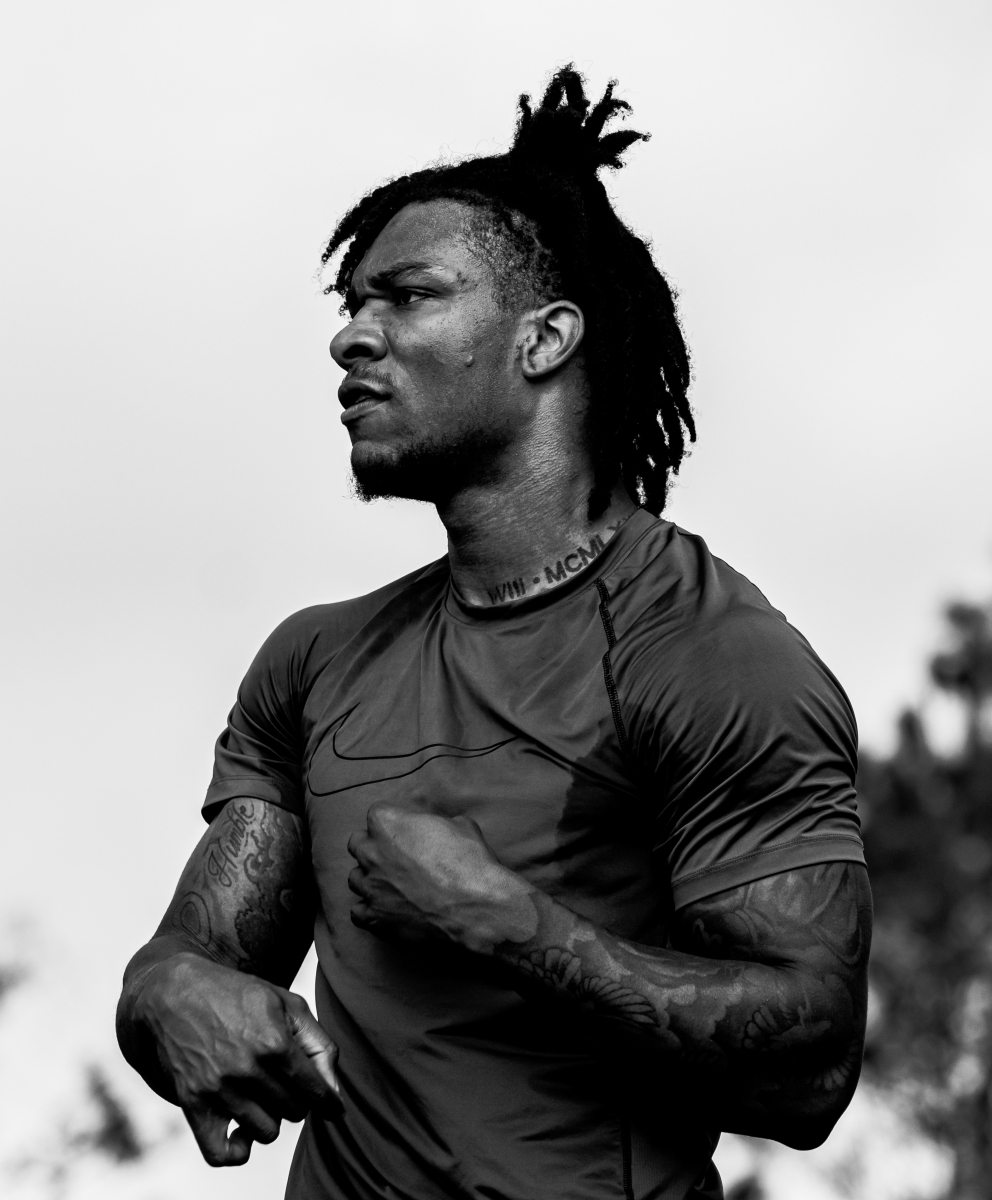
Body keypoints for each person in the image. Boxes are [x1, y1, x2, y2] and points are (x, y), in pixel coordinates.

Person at [116, 67, 871, 1200]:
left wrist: (510, 926)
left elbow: (810, 1072)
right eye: (350, 306)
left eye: (407, 297)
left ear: (544, 339)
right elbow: (193, 955)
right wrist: (169, 993)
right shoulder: (315, 662)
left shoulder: (709, 655)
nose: (352, 339)